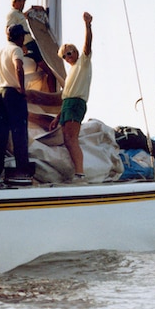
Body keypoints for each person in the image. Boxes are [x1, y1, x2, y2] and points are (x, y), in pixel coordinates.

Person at [0, 23, 32, 181]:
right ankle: (22, 170)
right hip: (13, 94)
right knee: (19, 133)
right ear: (20, 36)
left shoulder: (0, 52)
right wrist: (22, 88)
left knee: (0, 135)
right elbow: (18, 67)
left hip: (0, 94)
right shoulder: (16, 50)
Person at [49, 12, 93, 182]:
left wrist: (87, 26)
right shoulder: (71, 73)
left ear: (75, 51)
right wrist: (57, 116)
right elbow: (66, 95)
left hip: (76, 103)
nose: (68, 57)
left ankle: (80, 174)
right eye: (64, 56)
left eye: (69, 53)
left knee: (71, 138)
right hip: (67, 104)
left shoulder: (83, 62)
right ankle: (77, 172)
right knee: (67, 139)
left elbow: (87, 46)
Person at [6, 0, 56, 92]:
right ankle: (53, 95)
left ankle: (50, 92)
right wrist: (21, 46)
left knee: (50, 68)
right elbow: (8, 31)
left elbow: (24, 15)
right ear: (14, 2)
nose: (22, 4)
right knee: (50, 72)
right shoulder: (12, 14)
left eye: (24, 2)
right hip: (28, 45)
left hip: (32, 44)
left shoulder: (19, 14)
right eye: (20, 1)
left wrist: (33, 8)